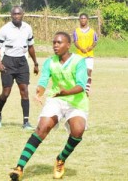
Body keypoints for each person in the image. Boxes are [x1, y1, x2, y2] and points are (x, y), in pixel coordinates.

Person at [9, 31, 89, 181]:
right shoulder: (50, 62)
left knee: (77, 131)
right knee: (42, 128)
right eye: (54, 42)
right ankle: (19, 167)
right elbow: (44, 81)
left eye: (59, 42)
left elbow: (81, 86)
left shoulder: (79, 61)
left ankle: (60, 159)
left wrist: (65, 93)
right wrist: (39, 92)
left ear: (68, 45)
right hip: (56, 99)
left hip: (76, 101)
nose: (55, 45)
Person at [0, 6, 39, 130]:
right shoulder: (5, 29)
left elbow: (30, 47)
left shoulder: (27, 28)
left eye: (19, 14)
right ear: (11, 15)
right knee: (6, 93)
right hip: (8, 61)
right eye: (14, 14)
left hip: (22, 62)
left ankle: (26, 122)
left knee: (24, 91)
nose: (17, 16)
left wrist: (35, 63)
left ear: (23, 14)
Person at [73, 13, 98, 96]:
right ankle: (79, 88)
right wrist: (81, 48)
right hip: (79, 55)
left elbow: (95, 41)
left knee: (89, 71)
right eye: (81, 18)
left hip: (89, 55)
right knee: (80, 73)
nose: (83, 20)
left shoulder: (92, 31)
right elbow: (75, 42)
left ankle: (86, 90)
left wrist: (90, 47)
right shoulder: (76, 31)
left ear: (87, 20)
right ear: (79, 20)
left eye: (84, 18)